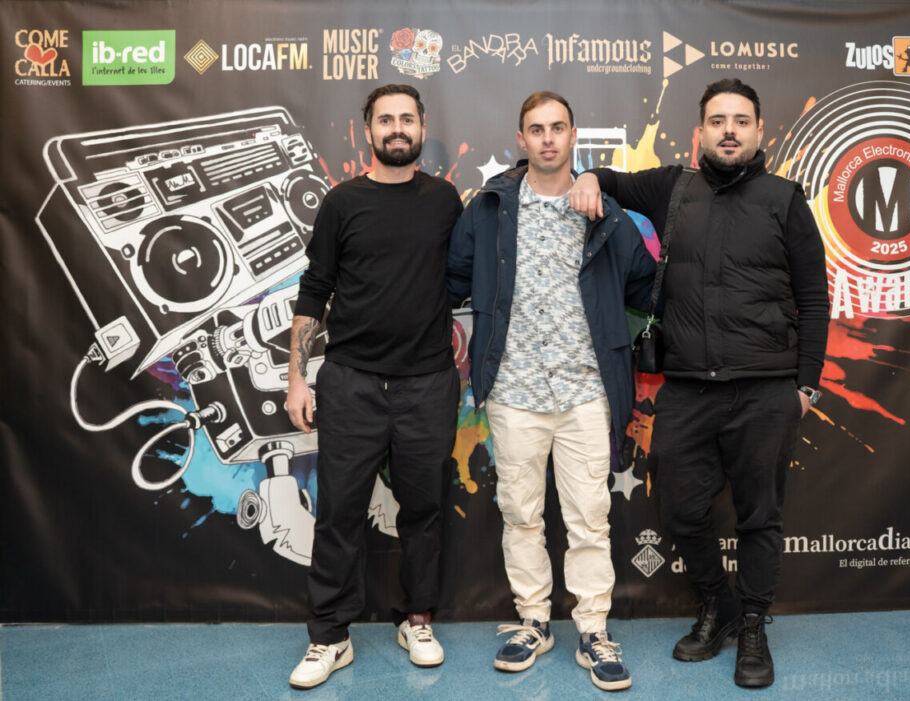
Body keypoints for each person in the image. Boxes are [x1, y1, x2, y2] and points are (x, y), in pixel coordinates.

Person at [570, 78, 828, 689]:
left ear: (760, 132)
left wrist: (807, 386)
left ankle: (755, 625)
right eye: (718, 121)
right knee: (682, 510)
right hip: (687, 387)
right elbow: (609, 180)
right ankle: (719, 604)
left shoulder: (786, 200)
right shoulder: (672, 187)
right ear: (700, 132)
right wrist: (588, 179)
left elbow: (815, 300)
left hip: (766, 388)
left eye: (741, 120)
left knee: (759, 516)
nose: (729, 130)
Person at [447, 91, 656, 692]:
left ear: (572, 137)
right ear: (521, 139)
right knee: (521, 514)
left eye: (557, 128)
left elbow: (643, 285)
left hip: (588, 390)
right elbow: (454, 278)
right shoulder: (488, 207)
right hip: (512, 391)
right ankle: (533, 621)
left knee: (590, 517)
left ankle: (593, 629)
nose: (546, 139)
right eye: (535, 129)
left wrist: (608, 215)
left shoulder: (602, 207)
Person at [285, 84, 463, 690]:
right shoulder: (342, 203)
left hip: (427, 384)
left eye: (406, 119)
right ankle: (330, 637)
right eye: (385, 119)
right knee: (337, 513)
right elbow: (315, 289)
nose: (396, 128)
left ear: (420, 128)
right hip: (352, 382)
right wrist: (297, 379)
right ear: (368, 130)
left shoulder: (446, 202)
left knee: (424, 511)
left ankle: (416, 618)